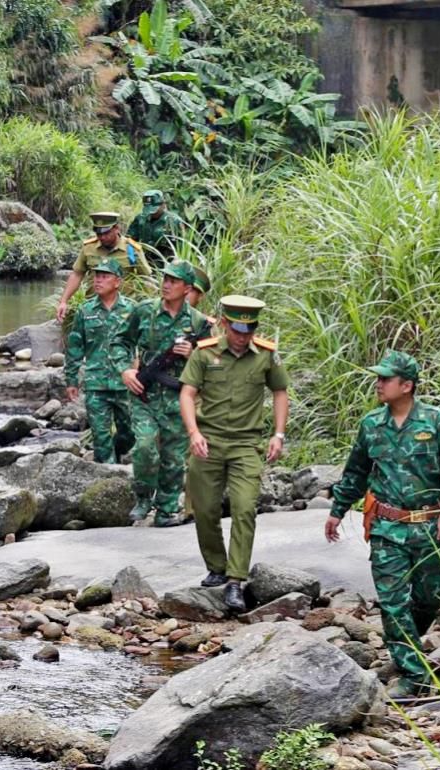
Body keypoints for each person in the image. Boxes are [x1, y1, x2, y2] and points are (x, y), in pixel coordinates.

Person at [324, 351, 440, 699]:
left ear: (407, 385)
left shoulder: (436, 421)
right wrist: (337, 510)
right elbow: (356, 472)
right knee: (392, 603)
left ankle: (405, 644)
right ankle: (413, 673)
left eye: (386, 379)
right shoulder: (371, 424)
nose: (378, 384)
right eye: (378, 377)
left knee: (430, 596)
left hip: (429, 525)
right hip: (387, 528)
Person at [179, 296, 290, 612]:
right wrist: (194, 433)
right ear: (225, 324)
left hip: (246, 445)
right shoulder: (205, 354)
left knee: (244, 508)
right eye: (239, 330)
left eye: (250, 330)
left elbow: (280, 392)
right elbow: (187, 394)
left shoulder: (266, 356)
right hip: (208, 441)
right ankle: (216, 566)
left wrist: (278, 434)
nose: (244, 336)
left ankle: (235, 581)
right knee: (204, 509)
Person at [111, 260, 212, 527]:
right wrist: (125, 371)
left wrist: (193, 355)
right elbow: (120, 340)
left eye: (173, 281)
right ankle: (144, 497)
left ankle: (166, 510)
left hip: (179, 398)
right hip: (145, 392)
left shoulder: (198, 322)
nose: (165, 285)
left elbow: (213, 363)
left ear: (187, 288)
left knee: (173, 457)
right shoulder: (144, 311)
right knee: (144, 446)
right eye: (164, 279)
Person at [63, 258, 136, 464]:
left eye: (105, 276)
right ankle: (109, 477)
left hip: (125, 384)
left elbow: (143, 344)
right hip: (96, 385)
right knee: (101, 438)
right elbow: (75, 347)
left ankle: (117, 457)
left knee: (129, 434)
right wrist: (71, 380)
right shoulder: (85, 311)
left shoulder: (132, 309)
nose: (98, 280)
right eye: (96, 276)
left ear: (117, 282)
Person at [56, 211, 152, 322]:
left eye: (106, 233)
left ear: (117, 228)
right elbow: (77, 274)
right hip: (93, 310)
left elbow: (146, 279)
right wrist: (64, 301)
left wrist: (147, 308)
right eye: (99, 234)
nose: (102, 237)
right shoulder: (89, 248)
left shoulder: (131, 249)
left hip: (123, 311)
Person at [127, 190, 185, 264]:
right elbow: (130, 238)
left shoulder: (174, 221)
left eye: (154, 210)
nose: (152, 213)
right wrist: (133, 251)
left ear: (163, 205)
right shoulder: (140, 219)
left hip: (166, 262)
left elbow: (181, 247)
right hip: (144, 260)